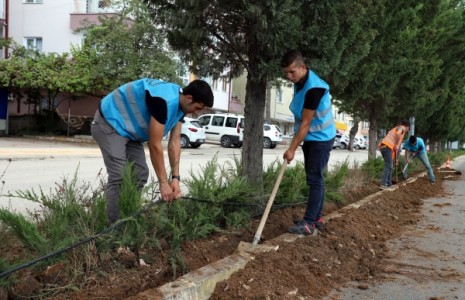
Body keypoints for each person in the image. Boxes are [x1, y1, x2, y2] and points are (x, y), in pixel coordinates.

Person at [91, 78, 214, 223]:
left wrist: (175, 178)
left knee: (140, 173)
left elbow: (174, 142)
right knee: (118, 175)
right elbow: (155, 145)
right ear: (189, 98)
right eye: (198, 108)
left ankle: (127, 214)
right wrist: (163, 183)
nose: (196, 113)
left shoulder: (181, 108)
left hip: (130, 132)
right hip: (109, 123)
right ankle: (113, 227)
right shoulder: (163, 101)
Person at [281, 50, 336, 236]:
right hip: (313, 137)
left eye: (292, 72)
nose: (289, 77)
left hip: (321, 137)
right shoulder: (301, 81)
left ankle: (309, 223)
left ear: (302, 67)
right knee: (315, 177)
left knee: (314, 178)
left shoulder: (314, 88)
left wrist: (291, 149)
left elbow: (305, 123)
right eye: (286, 73)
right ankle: (317, 217)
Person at [378, 120, 410, 189]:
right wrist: (398, 144)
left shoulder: (397, 128)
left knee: (391, 166)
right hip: (387, 147)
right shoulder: (402, 127)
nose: (407, 131)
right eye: (408, 129)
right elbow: (398, 134)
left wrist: (395, 159)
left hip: (384, 147)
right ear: (407, 127)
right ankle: (383, 183)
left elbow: (394, 148)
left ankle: (389, 183)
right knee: (388, 166)